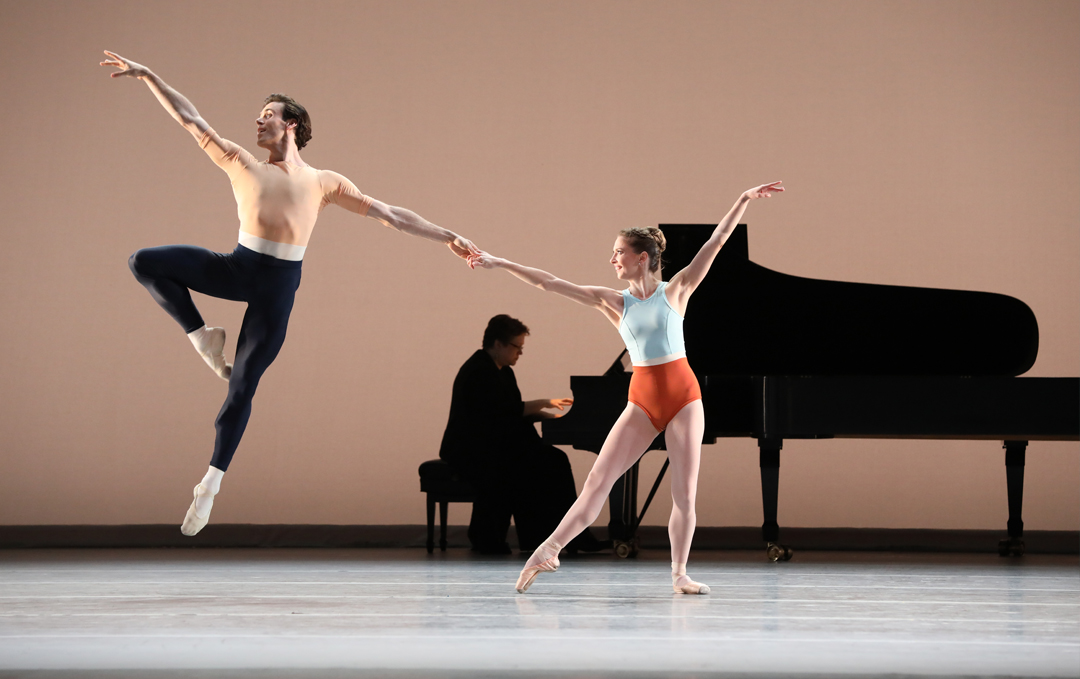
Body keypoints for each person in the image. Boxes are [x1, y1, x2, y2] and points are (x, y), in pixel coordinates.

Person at [101, 51, 479, 536]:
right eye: (258, 116)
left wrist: (448, 235)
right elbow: (189, 119)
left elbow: (391, 214)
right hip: (238, 268)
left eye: (268, 115)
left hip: (277, 291)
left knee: (242, 388)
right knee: (144, 261)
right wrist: (150, 75)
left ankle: (211, 483)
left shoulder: (324, 182)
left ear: (292, 125)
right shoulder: (239, 160)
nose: (258, 122)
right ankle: (202, 338)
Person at [467, 181, 785, 594]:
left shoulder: (678, 289)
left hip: (684, 399)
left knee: (684, 495)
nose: (612, 259)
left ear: (642, 258)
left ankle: (679, 574)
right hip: (643, 400)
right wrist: (496, 261)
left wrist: (742, 200)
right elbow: (548, 282)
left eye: (619, 252)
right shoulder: (613, 302)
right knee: (598, 480)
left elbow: (717, 241)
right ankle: (548, 549)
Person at [440, 315, 609, 554]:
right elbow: (502, 411)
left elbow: (513, 413)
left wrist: (556, 419)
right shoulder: (478, 371)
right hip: (471, 449)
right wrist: (544, 403)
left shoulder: (503, 371)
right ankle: (546, 538)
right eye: (516, 347)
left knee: (551, 460)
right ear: (498, 344)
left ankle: (558, 537)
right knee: (545, 462)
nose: (520, 353)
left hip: (494, 445)